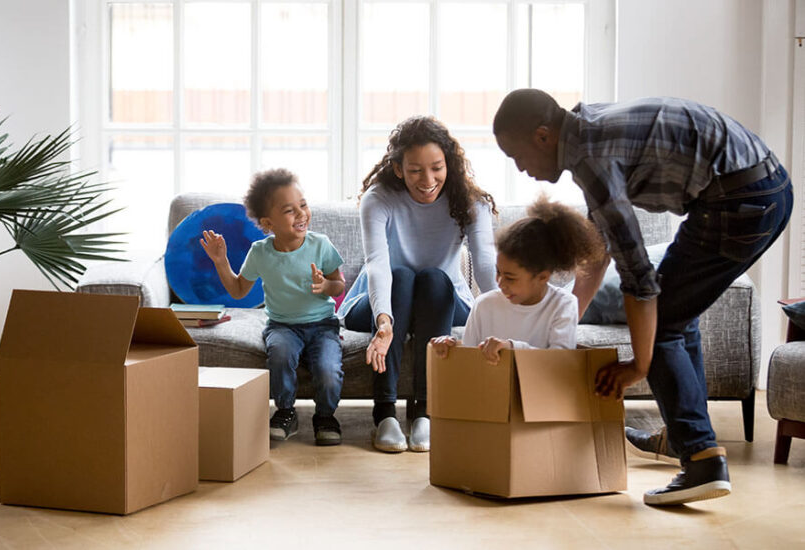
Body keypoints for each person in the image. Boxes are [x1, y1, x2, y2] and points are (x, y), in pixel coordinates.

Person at [492, 89, 793, 506]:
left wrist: (639, 365)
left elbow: (639, 278)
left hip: (742, 199)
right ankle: (687, 436)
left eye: (517, 156)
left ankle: (702, 459)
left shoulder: (589, 159)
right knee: (677, 312)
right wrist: (560, 324)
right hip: (759, 187)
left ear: (543, 136)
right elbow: (599, 250)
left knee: (665, 316)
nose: (521, 169)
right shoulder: (585, 127)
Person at [338, 115, 498, 453]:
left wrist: (503, 315)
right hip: (377, 301)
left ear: (449, 164)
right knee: (402, 277)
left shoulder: (471, 202)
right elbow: (378, 265)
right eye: (415, 170)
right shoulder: (378, 199)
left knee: (433, 278)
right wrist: (383, 322)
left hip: (441, 299)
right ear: (398, 168)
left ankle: (425, 413)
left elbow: (485, 263)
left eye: (436, 168)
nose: (427, 180)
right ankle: (385, 416)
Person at [200, 168, 346, 446]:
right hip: (282, 325)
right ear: (268, 223)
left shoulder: (321, 245)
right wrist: (221, 261)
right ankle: (286, 413)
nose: (302, 214)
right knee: (279, 355)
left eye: (303, 205)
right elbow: (239, 290)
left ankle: (326, 416)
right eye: (290, 210)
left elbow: (338, 284)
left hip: (323, 325)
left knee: (328, 369)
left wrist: (326, 287)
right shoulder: (260, 252)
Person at [431, 196, 605, 361]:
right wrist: (451, 348)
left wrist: (512, 348)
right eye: (498, 272)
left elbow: (559, 361)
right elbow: (469, 359)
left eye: (510, 278)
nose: (500, 283)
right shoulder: (484, 305)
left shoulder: (563, 305)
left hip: (540, 392)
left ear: (542, 276)